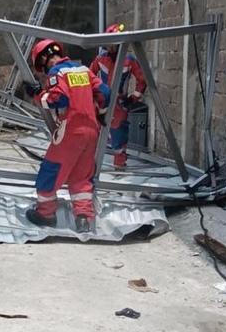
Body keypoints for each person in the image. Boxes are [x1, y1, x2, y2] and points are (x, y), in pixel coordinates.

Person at [24, 39, 110, 233]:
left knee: (50, 171)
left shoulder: (57, 72)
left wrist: (38, 94)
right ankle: (83, 219)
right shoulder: (83, 70)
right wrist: (101, 113)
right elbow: (104, 91)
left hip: (71, 131)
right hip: (91, 131)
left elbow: (59, 98)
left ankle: (45, 214)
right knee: (81, 177)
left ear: (44, 60)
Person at [89, 23, 147, 169]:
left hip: (119, 104)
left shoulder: (129, 60)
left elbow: (142, 81)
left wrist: (132, 98)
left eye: (112, 45)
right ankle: (89, 165)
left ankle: (119, 165)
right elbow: (88, 76)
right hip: (101, 101)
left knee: (118, 135)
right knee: (93, 132)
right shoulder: (100, 59)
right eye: (108, 45)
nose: (110, 48)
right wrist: (92, 95)